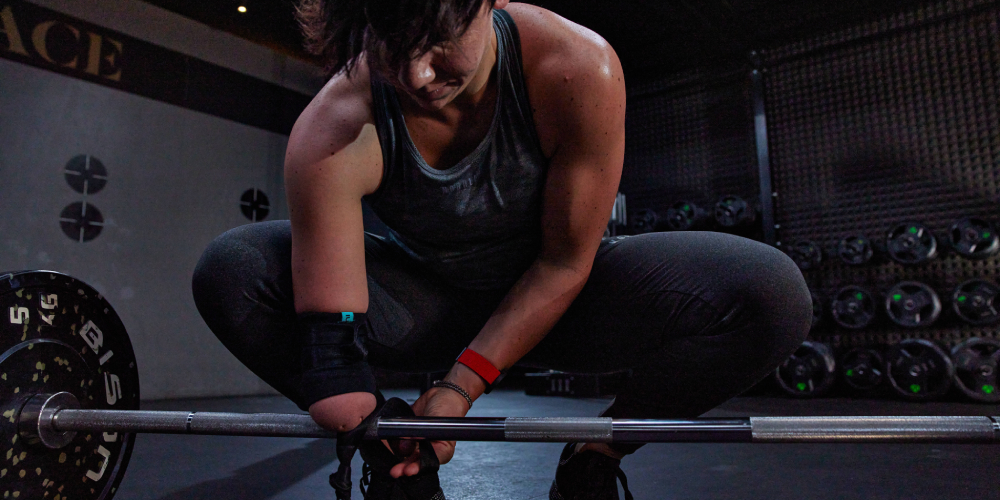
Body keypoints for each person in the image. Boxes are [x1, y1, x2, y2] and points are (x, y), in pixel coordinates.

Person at [192, 0, 812, 498]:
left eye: (439, 42)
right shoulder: (335, 124)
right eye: (391, 49)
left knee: (770, 295)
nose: (417, 77)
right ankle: (398, 458)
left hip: (564, 300)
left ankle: (595, 455)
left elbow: (565, 261)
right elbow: (332, 333)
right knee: (233, 269)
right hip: (426, 304)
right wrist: (365, 414)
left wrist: (459, 388)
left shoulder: (574, 67)